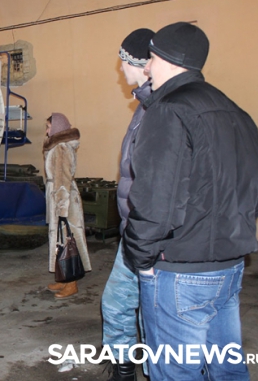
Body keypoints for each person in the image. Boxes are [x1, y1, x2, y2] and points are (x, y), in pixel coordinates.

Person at [123, 22, 258, 379]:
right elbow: (256, 192)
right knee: (227, 368)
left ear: (169, 60)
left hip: (180, 272)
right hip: (229, 266)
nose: (147, 68)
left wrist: (141, 259)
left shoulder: (167, 110)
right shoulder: (236, 112)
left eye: (151, 59)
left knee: (175, 371)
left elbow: (155, 199)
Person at [101, 28, 154, 381]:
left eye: (124, 61)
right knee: (117, 302)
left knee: (151, 313)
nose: (121, 68)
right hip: (134, 231)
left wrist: (149, 232)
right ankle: (124, 369)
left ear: (142, 63)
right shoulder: (143, 107)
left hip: (150, 233)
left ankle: (154, 370)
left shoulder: (161, 109)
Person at [43, 113, 92, 299]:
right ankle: (64, 278)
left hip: (63, 200)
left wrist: (62, 209)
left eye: (49, 126)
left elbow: (62, 180)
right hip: (58, 198)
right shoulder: (57, 147)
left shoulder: (61, 148)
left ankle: (72, 283)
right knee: (60, 240)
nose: (47, 131)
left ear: (57, 127)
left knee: (68, 240)